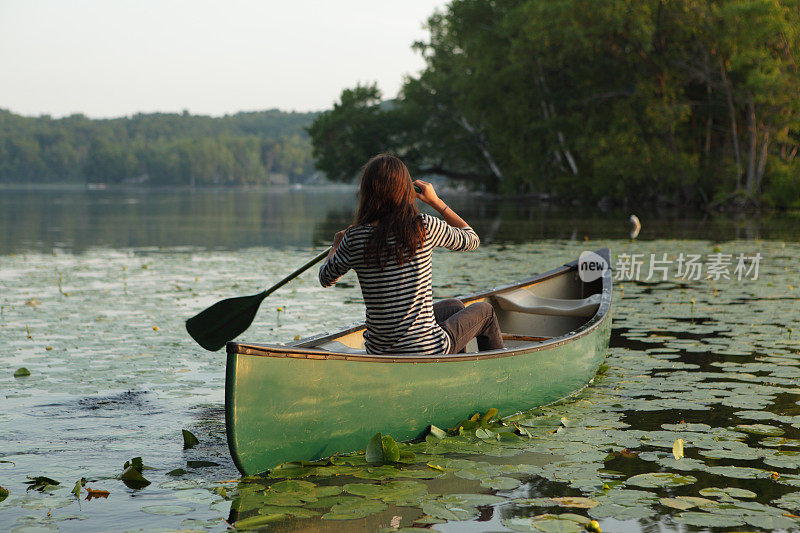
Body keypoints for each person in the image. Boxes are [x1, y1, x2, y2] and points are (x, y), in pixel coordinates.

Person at [318, 153, 504, 355]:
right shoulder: (423, 226)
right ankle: (500, 374)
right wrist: (436, 202)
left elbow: (326, 278)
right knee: (486, 312)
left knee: (454, 306)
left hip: (379, 351)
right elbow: (472, 238)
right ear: (406, 190)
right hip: (426, 347)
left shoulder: (354, 237)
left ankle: (452, 369)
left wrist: (336, 245)